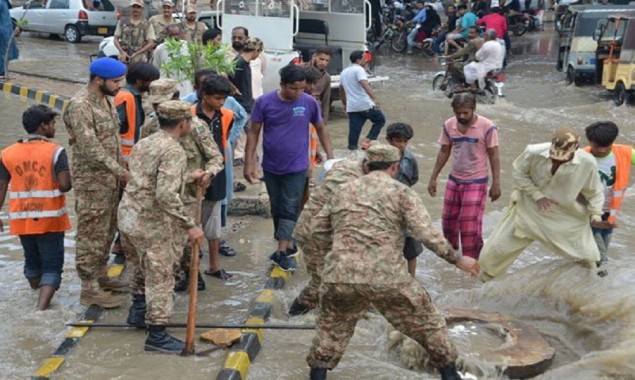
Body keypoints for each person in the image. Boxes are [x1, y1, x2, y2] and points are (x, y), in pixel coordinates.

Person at [306, 143, 478, 380]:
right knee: (429, 325)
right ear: (395, 167)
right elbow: (425, 233)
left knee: (330, 334)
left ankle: (317, 376)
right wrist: (457, 259)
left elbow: (316, 231)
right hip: (387, 277)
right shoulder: (402, 193)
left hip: (340, 277)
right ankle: (450, 375)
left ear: (366, 166)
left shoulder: (343, 192)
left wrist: (331, 264)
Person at [118, 100, 205, 353]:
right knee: (161, 276)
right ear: (183, 123)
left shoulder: (144, 143)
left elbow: (146, 179)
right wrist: (189, 225)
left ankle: (138, 311)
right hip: (151, 223)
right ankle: (157, 334)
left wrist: (190, 176)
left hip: (128, 217)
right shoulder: (174, 150)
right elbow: (165, 194)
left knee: (138, 267)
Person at [479, 127, 605, 281]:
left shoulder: (587, 162)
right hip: (527, 209)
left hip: (562, 214)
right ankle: (484, 288)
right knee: (493, 254)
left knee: (588, 257)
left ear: (575, 150)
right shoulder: (533, 152)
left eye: (562, 158)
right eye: (554, 157)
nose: (557, 160)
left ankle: (586, 288)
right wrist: (537, 195)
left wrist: (596, 213)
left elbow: (594, 191)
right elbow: (519, 174)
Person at [244, 65, 334, 271]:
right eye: (294, 88)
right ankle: (289, 243)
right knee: (277, 207)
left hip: (297, 166)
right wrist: (249, 163)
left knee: (290, 206)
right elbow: (253, 132)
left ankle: (282, 250)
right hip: (272, 166)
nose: (298, 93)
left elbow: (321, 128)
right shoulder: (264, 102)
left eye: (302, 88)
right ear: (282, 85)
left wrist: (331, 158)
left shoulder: (309, 103)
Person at [63, 57, 131, 308]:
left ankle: (101, 275)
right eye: (116, 81)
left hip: (110, 179)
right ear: (98, 80)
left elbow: (111, 140)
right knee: (91, 232)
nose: (120, 85)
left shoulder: (106, 100)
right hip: (92, 181)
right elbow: (90, 148)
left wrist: (122, 166)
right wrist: (120, 171)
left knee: (108, 229)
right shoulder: (80, 105)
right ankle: (88, 287)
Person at [0, 105, 72, 310]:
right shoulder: (55, 151)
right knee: (52, 266)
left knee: (32, 262)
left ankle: (36, 295)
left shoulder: (7, 153)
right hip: (50, 219)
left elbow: (1, 186)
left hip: (21, 219)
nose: (55, 127)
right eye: (53, 123)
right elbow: (66, 185)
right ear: (44, 126)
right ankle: (40, 310)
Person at [428, 93, 501, 260]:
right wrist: (433, 177)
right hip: (455, 179)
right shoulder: (449, 125)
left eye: (465, 113)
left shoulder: (487, 127)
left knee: (469, 226)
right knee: (448, 222)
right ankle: (452, 260)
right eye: (458, 113)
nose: (462, 116)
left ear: (473, 110)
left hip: (477, 181)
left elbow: (494, 156)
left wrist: (496, 183)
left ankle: (472, 263)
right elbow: (444, 151)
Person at [193, 75, 235, 280]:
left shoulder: (226, 115)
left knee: (213, 222)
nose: (220, 103)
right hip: (193, 176)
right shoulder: (189, 115)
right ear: (204, 95)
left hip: (216, 174)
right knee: (192, 223)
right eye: (217, 98)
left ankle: (213, 266)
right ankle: (190, 270)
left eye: (223, 99)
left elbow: (223, 142)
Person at [583, 121, 634, 275]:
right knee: (595, 233)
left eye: (603, 146)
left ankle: (597, 266)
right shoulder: (582, 155)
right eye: (595, 145)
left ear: (612, 142)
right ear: (590, 141)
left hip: (611, 207)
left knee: (606, 234)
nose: (599, 150)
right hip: (588, 205)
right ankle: (603, 265)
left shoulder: (625, 153)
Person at [386, 123, 423, 277]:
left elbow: (413, 179)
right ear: (388, 140)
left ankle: (411, 279)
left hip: (405, 206)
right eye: (397, 141)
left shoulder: (410, 159)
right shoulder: (380, 160)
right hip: (386, 206)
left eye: (404, 141)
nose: (401, 145)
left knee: (411, 247)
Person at [339, 50, 385, 151]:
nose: (366, 60)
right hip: (364, 104)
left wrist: (344, 104)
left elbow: (341, 90)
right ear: (358, 60)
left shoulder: (343, 72)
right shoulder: (359, 69)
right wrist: (374, 98)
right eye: (364, 58)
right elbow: (364, 84)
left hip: (352, 106)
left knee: (354, 131)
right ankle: (368, 141)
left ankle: (352, 150)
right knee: (380, 120)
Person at [115, 62, 160, 162]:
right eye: (152, 81)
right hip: (122, 155)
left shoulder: (132, 96)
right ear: (139, 81)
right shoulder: (126, 97)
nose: (154, 85)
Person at [229, 38, 259, 166]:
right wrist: (234, 89)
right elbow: (225, 76)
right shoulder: (239, 63)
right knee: (235, 136)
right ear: (256, 51)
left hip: (247, 104)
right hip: (241, 105)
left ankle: (252, 159)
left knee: (252, 134)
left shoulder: (244, 63)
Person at [151, 24, 193, 95]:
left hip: (185, 83)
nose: (175, 37)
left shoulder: (188, 46)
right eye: (172, 35)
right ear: (167, 35)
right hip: (167, 83)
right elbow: (157, 66)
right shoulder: (160, 48)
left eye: (177, 34)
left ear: (181, 34)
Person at [299, 46, 332, 122]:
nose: (324, 63)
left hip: (315, 108)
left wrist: (324, 121)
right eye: (321, 59)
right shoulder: (300, 69)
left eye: (327, 60)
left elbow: (326, 100)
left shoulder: (326, 77)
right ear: (314, 56)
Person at [0, 0, 19, 79]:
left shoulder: (4, 3)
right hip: (3, 32)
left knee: (5, 53)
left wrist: (15, 26)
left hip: (6, 31)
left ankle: (4, 72)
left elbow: (6, 17)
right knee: (3, 53)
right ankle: (2, 73)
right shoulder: (1, 2)